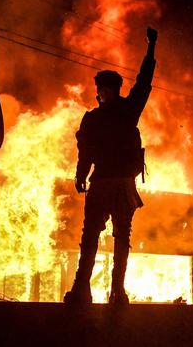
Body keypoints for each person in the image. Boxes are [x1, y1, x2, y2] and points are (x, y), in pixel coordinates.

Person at [64, 27, 157, 305]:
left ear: (103, 91)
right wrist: (151, 46)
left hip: (104, 183)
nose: (101, 93)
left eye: (102, 89)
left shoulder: (93, 119)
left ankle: (85, 290)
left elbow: (85, 152)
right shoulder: (128, 111)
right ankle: (115, 291)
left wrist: (81, 176)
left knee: (91, 237)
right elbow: (143, 83)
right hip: (119, 185)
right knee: (118, 239)